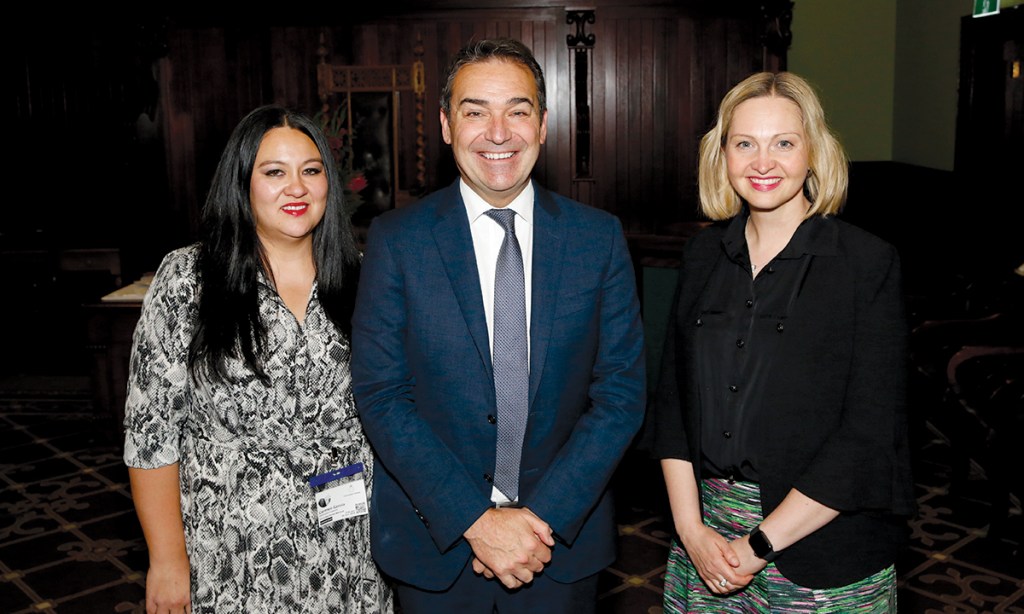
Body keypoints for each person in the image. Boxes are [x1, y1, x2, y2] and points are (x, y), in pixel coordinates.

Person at [350, 38, 646, 613]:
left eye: (517, 110)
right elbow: (382, 395)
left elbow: (620, 394)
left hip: (559, 546)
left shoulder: (598, 238)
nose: (498, 132)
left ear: (543, 124)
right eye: (475, 112)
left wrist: (538, 521)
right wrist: (476, 521)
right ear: (446, 126)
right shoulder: (397, 241)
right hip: (436, 546)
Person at [647, 72, 916, 612]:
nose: (762, 162)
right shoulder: (702, 256)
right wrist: (691, 530)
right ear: (722, 154)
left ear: (813, 152)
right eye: (745, 144)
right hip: (706, 540)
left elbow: (867, 436)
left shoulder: (866, 263)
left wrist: (757, 546)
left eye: (784, 143)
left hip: (822, 545)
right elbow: (674, 405)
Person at [123, 105, 393, 614]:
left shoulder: (365, 277)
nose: (297, 187)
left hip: (350, 546)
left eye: (311, 170)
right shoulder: (189, 279)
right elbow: (150, 433)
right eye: (274, 172)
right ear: (242, 183)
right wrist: (167, 559)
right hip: (230, 550)